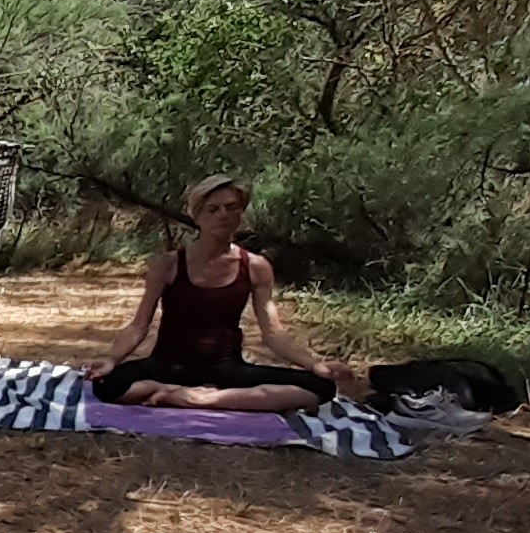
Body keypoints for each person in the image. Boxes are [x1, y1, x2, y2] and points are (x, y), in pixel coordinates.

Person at [86, 175, 354, 412]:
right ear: (198, 216)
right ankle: (190, 392)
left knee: (321, 388)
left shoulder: (255, 267)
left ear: (241, 214)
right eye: (213, 209)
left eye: (232, 208)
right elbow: (139, 325)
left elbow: (273, 334)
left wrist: (315, 365)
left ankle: (202, 399)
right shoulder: (169, 264)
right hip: (168, 365)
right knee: (108, 386)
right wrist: (112, 360)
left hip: (226, 368)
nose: (223, 215)